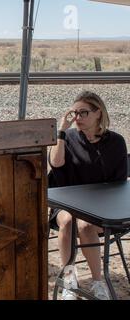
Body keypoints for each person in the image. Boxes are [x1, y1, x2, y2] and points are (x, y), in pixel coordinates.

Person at [48, 91, 128, 300]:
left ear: (98, 113)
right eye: (74, 113)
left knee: (84, 225)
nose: (78, 118)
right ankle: (69, 280)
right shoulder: (70, 137)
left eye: (83, 113)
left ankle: (97, 281)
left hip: (103, 208)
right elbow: (55, 163)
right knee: (67, 221)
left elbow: (119, 185)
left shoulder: (116, 142)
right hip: (67, 203)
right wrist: (62, 131)